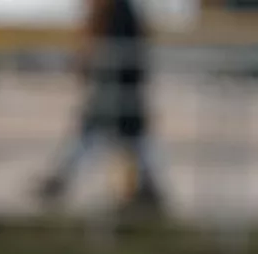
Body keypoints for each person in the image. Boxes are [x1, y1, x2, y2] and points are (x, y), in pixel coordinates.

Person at [37, 0, 166, 213]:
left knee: (111, 138)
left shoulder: (117, 11)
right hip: (117, 89)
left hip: (115, 88)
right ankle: (149, 189)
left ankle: (59, 182)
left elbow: (116, 51)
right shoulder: (122, 10)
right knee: (126, 140)